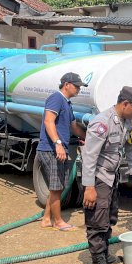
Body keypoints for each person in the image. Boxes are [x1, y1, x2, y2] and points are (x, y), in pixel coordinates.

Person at [82, 87, 132, 264]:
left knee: (110, 217)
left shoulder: (127, 122)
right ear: (125, 104)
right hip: (98, 178)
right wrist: (89, 187)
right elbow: (89, 156)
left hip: (112, 176)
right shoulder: (102, 123)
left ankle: (104, 255)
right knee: (97, 221)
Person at [38, 72, 87, 231]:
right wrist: (57, 143)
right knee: (57, 187)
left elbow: (74, 127)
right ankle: (58, 222)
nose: (79, 89)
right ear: (67, 84)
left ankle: (46, 219)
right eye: (77, 86)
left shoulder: (67, 103)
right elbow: (48, 121)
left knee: (56, 187)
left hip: (58, 149)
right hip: (51, 149)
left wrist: (88, 137)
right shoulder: (56, 98)